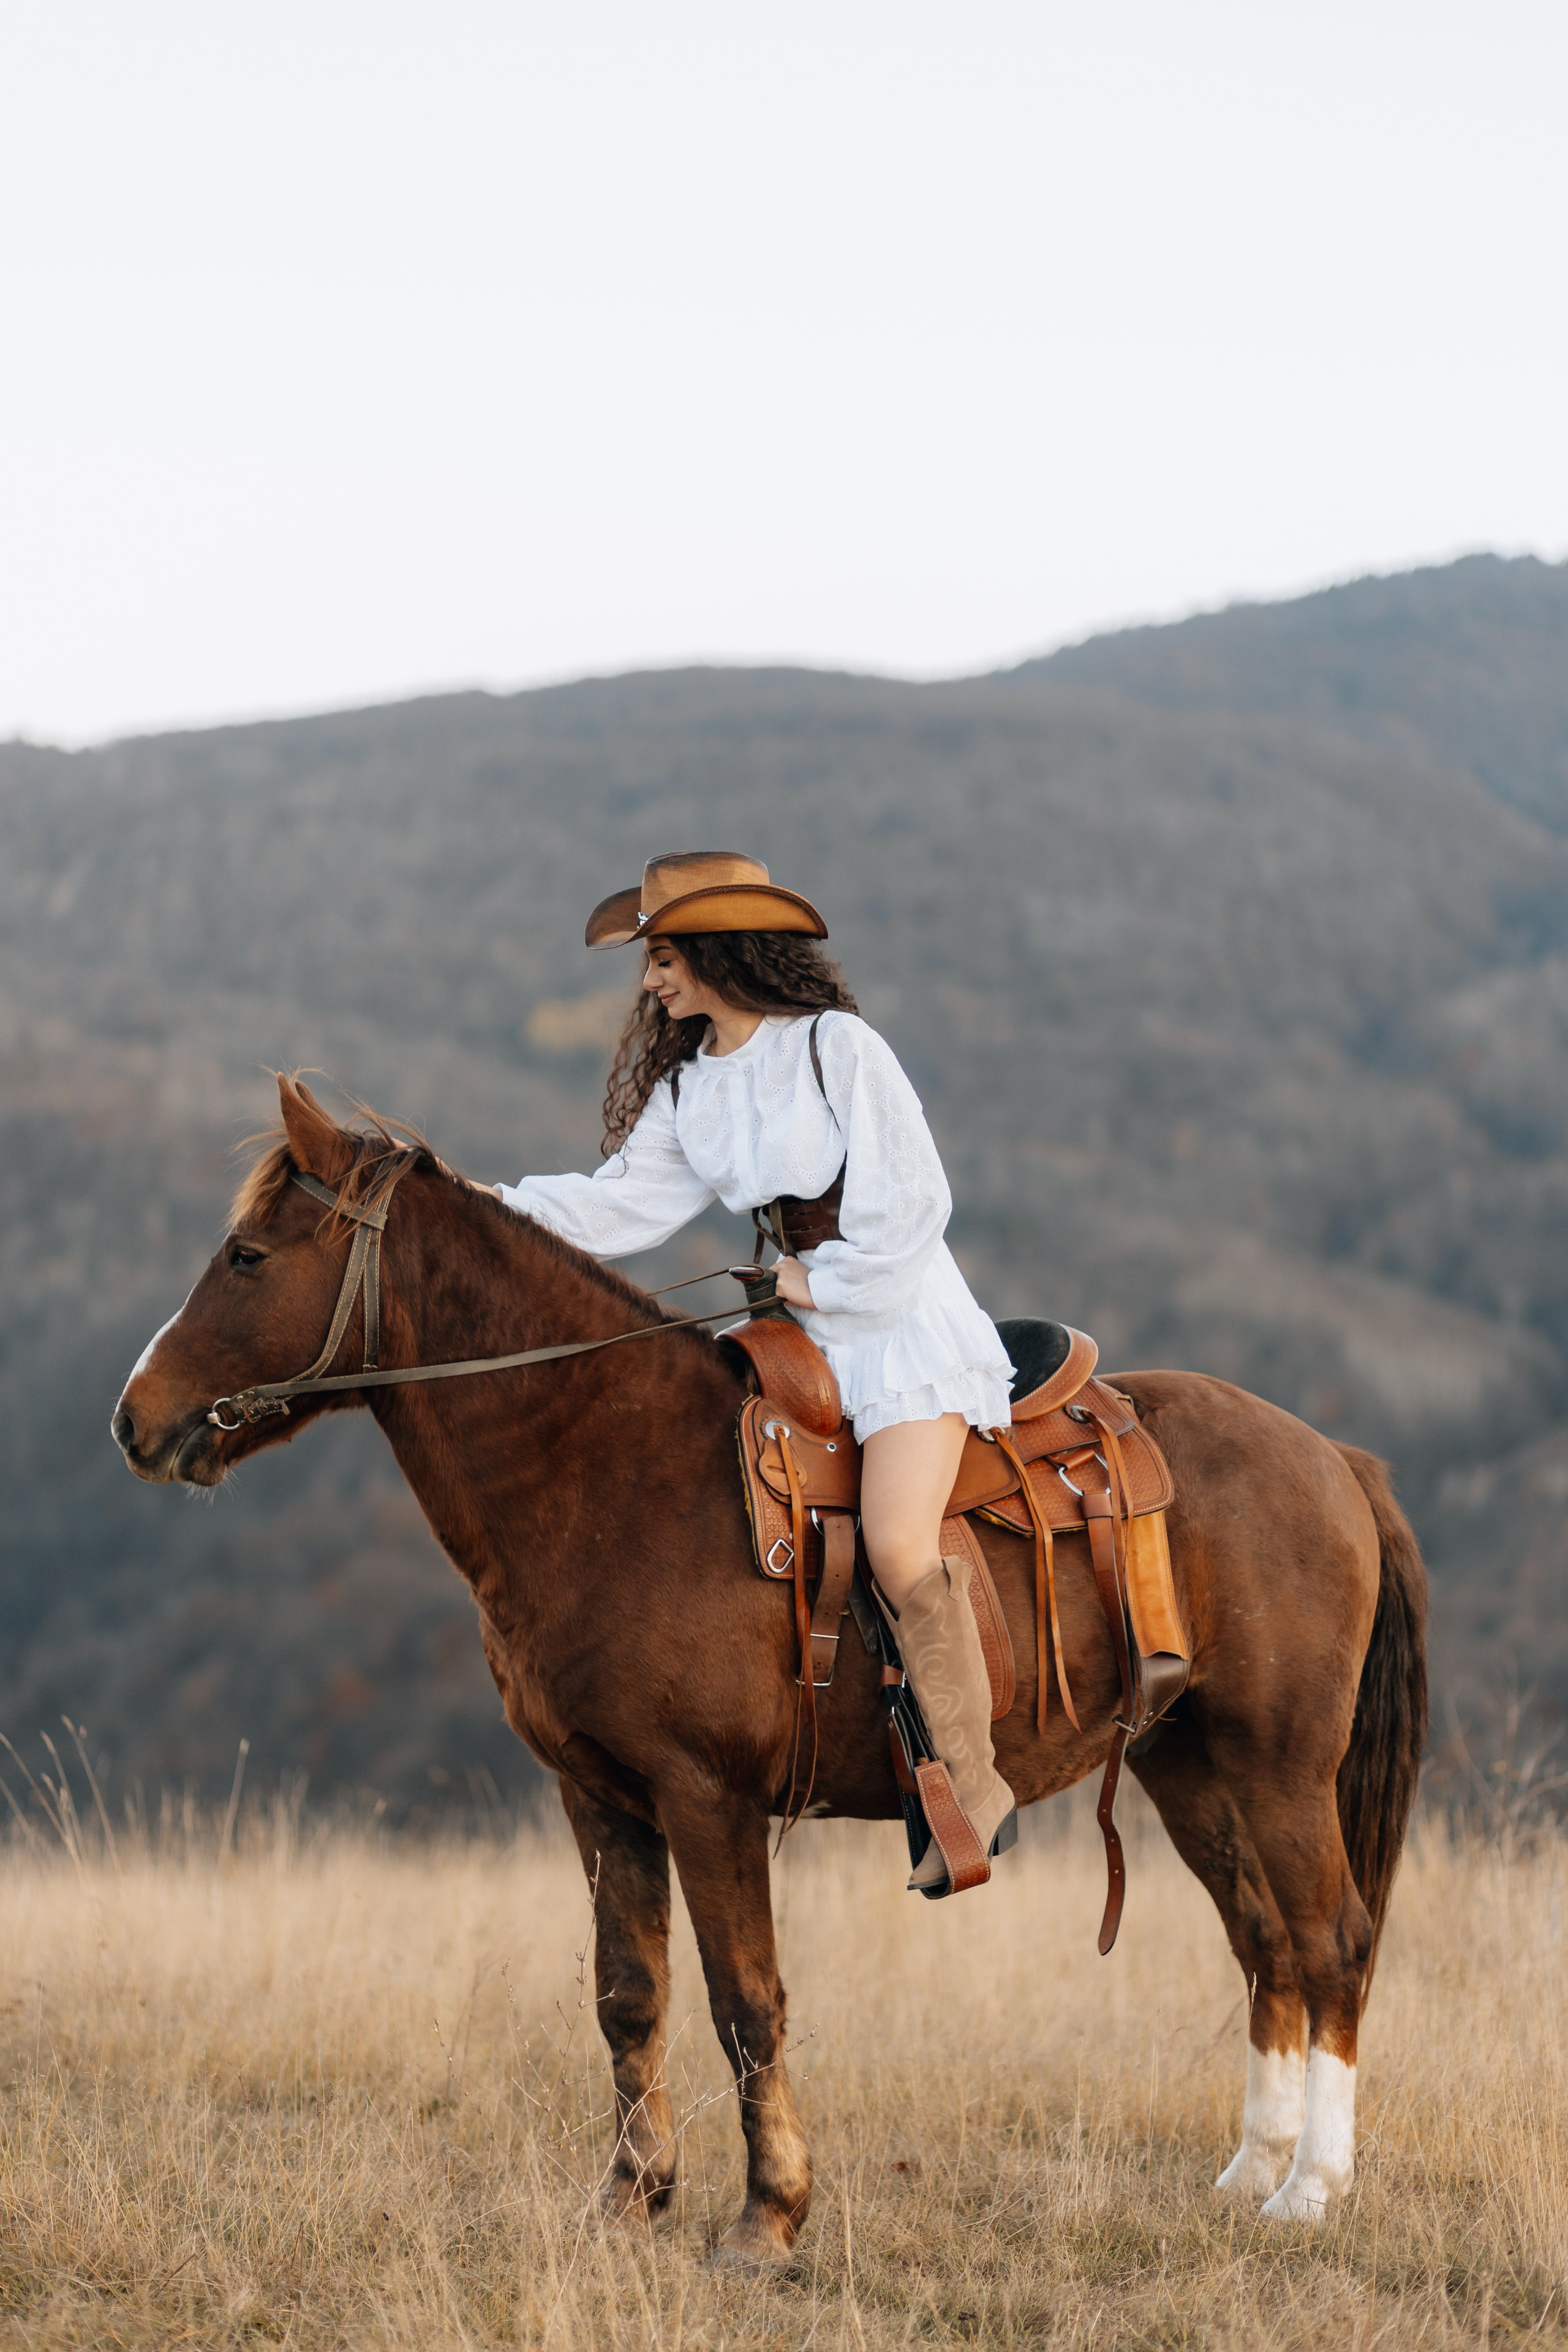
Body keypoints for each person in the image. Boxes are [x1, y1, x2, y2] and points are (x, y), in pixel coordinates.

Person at [497, 850, 1016, 1891]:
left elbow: (914, 1209)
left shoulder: (839, 1049)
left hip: (899, 1321)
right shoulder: (690, 1087)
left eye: (662, 957)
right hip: (797, 1324)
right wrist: (479, 1206)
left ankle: (969, 1790)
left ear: (718, 951)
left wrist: (817, 1286)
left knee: (899, 1538)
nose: (650, 981)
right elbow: (617, 1208)